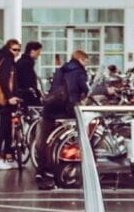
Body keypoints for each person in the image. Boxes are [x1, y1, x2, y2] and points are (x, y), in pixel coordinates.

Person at [35, 49, 90, 190]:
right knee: (81, 132)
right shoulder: (79, 71)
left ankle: (42, 170)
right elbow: (85, 89)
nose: (86, 65)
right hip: (66, 109)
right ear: (81, 60)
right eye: (85, 61)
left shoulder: (61, 69)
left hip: (52, 107)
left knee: (46, 140)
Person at [0, 38, 21, 169]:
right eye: (14, 49)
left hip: (4, 100)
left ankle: (7, 156)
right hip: (5, 101)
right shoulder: (7, 61)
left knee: (8, 128)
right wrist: (9, 97)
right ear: (8, 49)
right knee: (3, 128)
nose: (17, 52)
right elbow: (3, 80)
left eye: (19, 50)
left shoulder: (3, 60)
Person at [15, 40, 44, 106]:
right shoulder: (26, 64)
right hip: (27, 99)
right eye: (38, 51)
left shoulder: (23, 62)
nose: (39, 54)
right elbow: (28, 83)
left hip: (25, 97)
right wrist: (36, 94)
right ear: (32, 51)